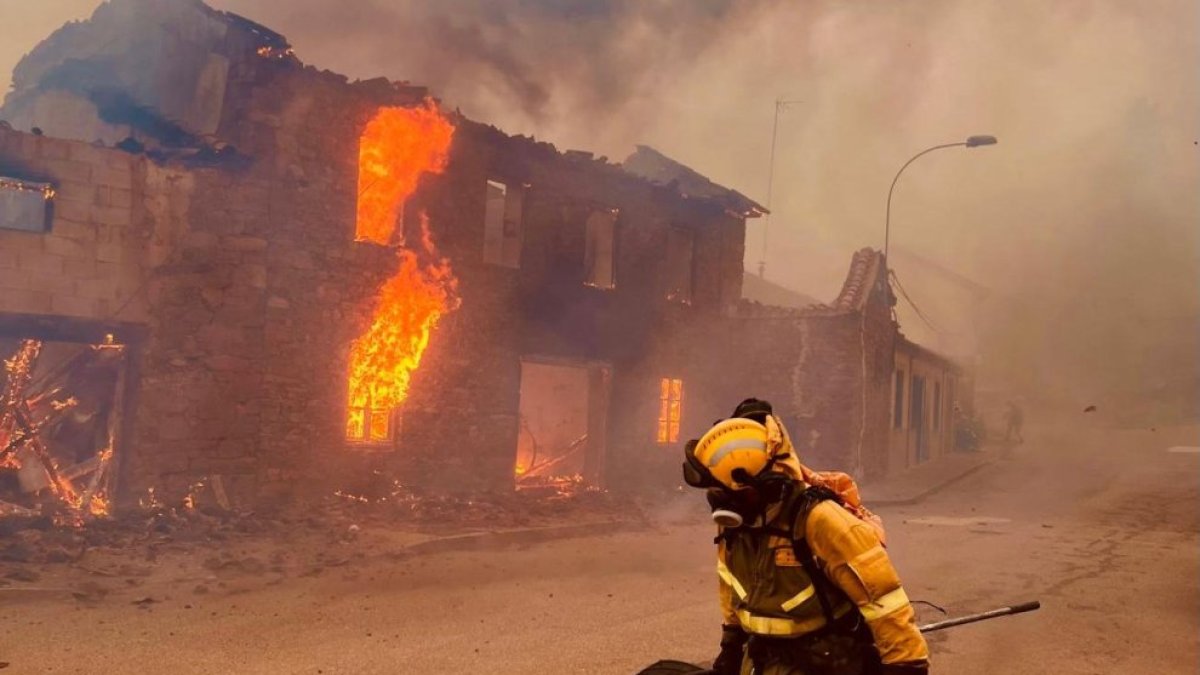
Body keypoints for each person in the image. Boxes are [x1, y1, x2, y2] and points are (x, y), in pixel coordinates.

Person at [682, 398, 929, 675]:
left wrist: (906, 666)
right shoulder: (735, 526)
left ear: (764, 485)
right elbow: (731, 584)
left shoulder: (819, 519)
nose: (721, 503)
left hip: (826, 663)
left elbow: (883, 600)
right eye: (716, 492)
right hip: (764, 662)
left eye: (728, 493)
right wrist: (731, 644)